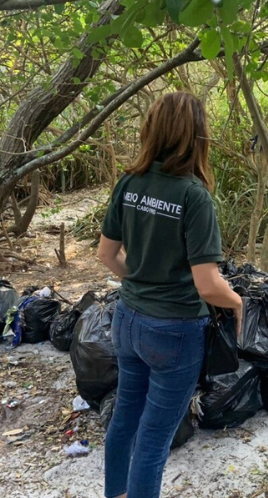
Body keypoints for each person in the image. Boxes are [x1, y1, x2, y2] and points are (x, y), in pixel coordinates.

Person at [97, 91, 243, 498]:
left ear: (152, 131)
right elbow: (208, 284)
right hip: (174, 331)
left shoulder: (130, 182)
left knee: (125, 418)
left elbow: (106, 254)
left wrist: (141, 280)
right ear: (198, 136)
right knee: (155, 436)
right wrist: (237, 303)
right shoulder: (193, 196)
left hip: (127, 320)